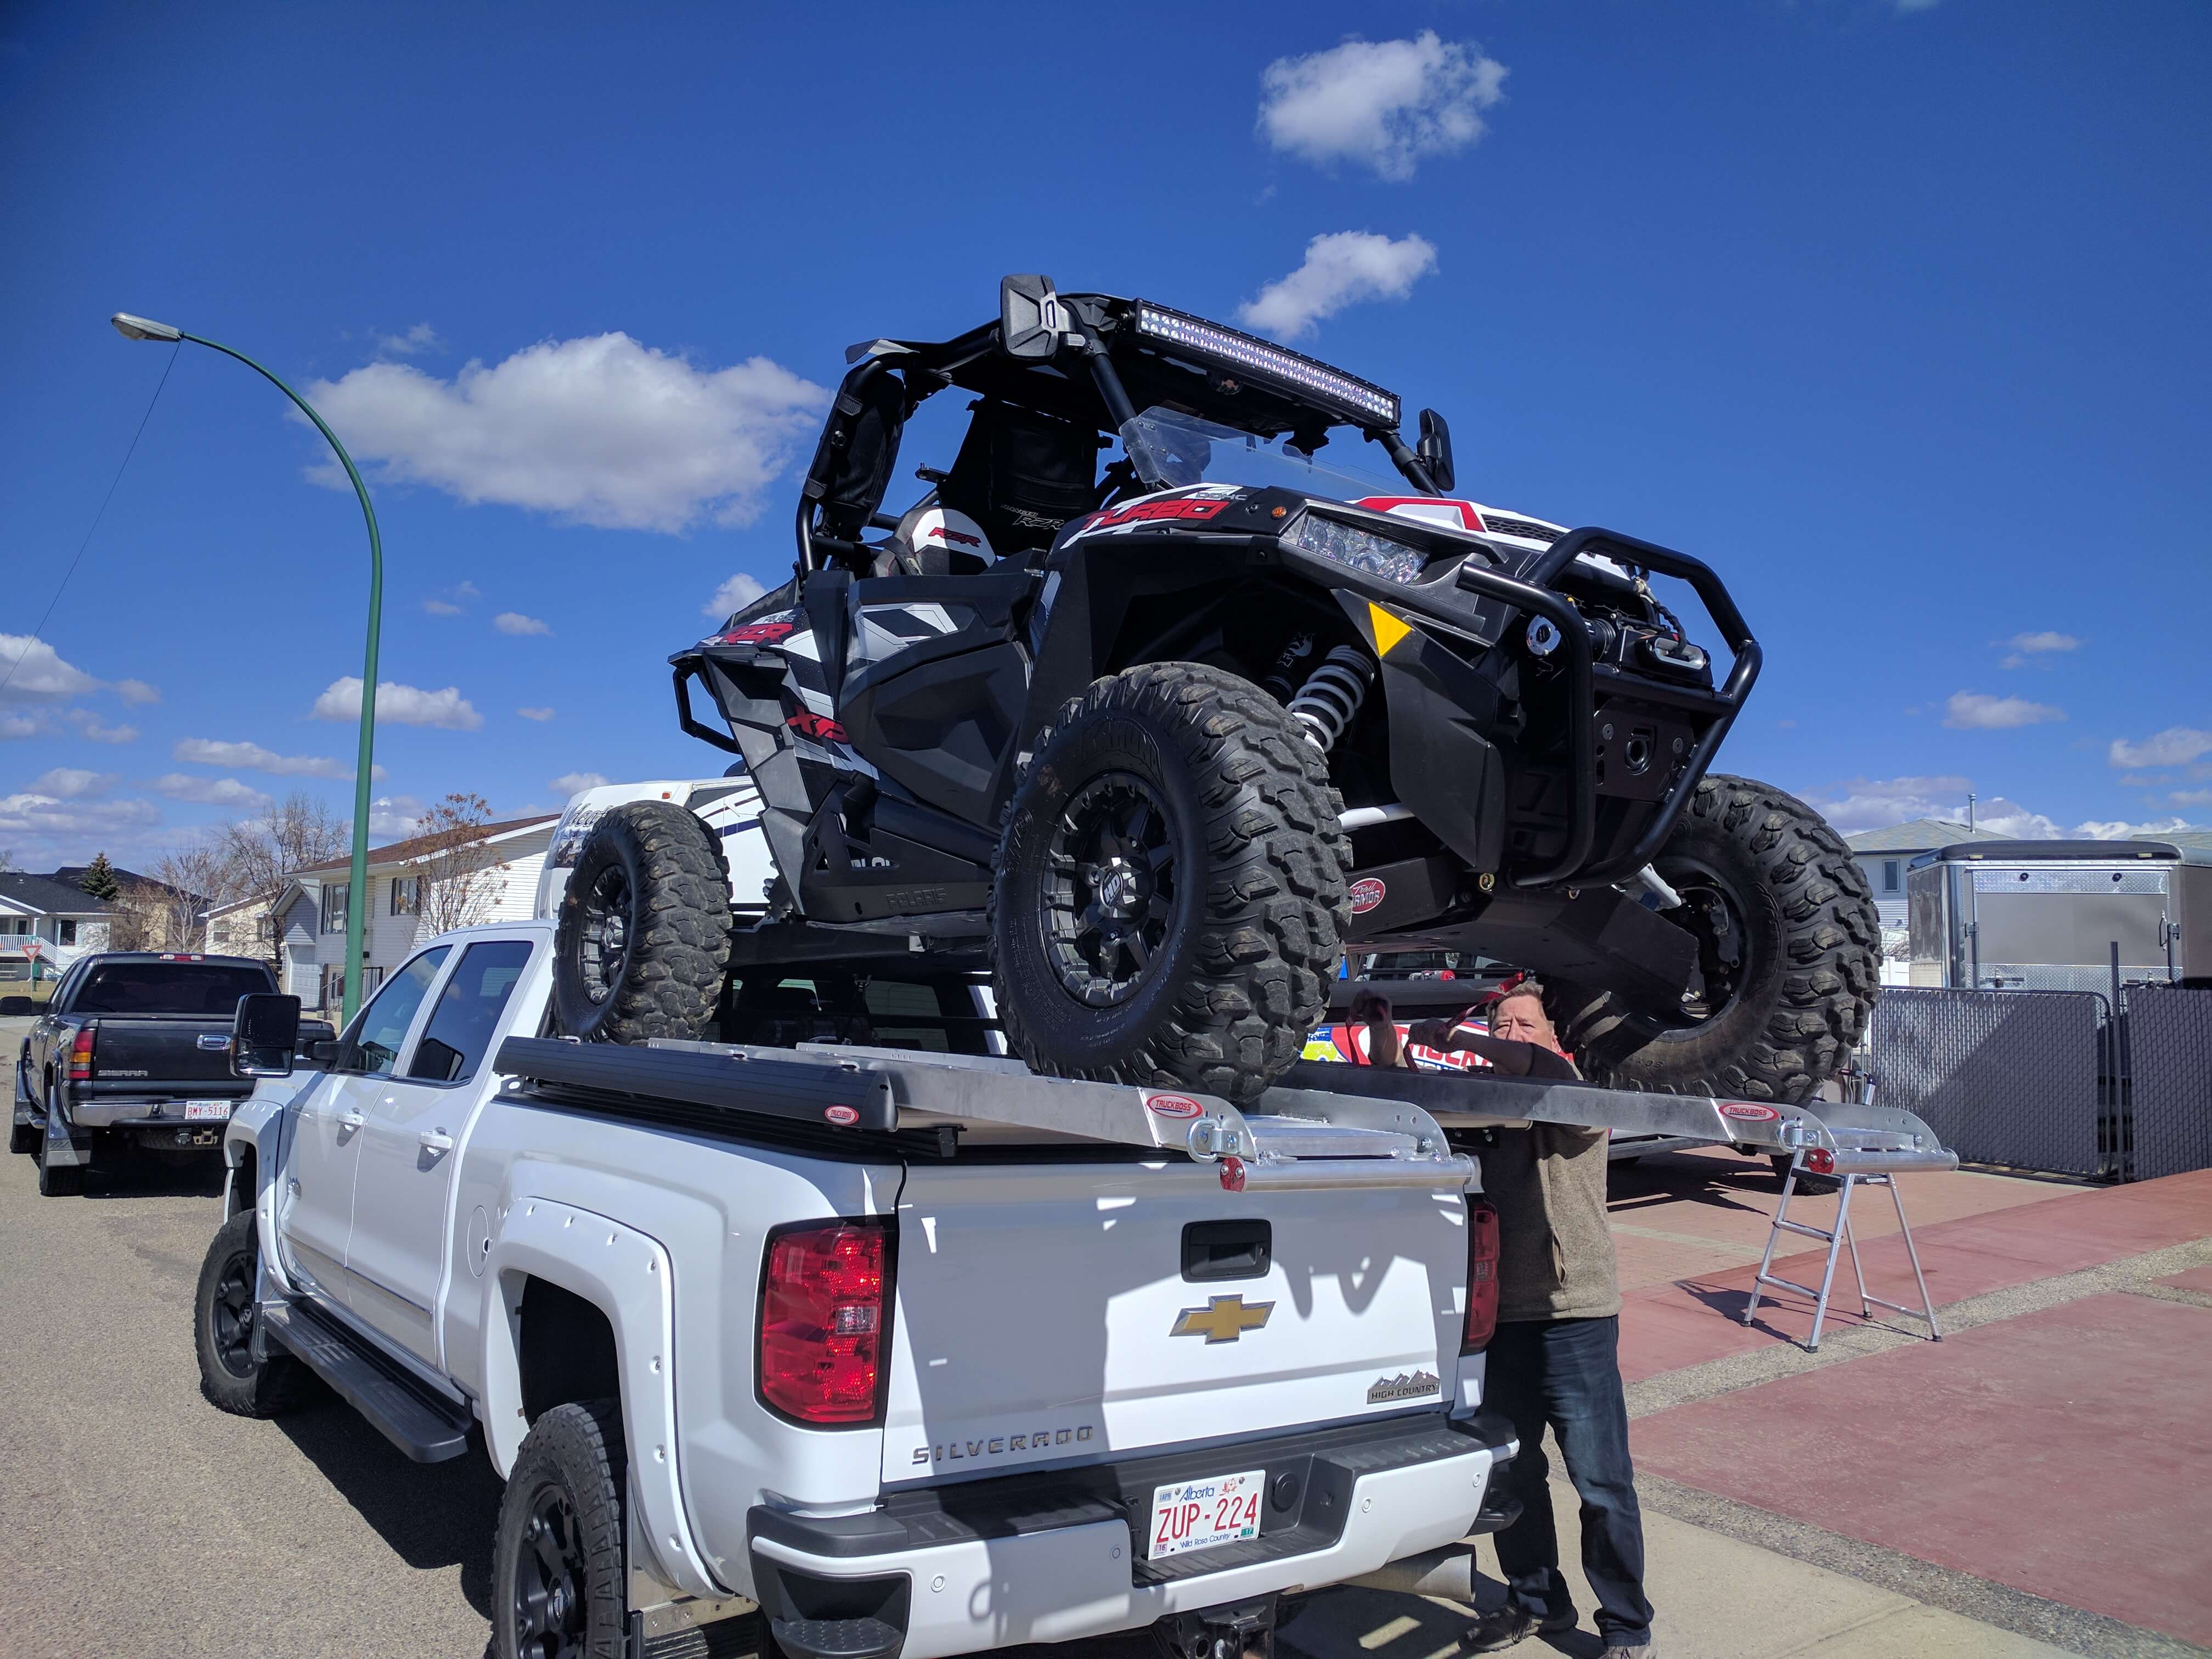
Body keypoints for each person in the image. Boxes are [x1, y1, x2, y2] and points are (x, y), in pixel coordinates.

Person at [1352, 981, 1657, 1658]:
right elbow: (1402, 1103)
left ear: (1554, 1036)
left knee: (1601, 1482)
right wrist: (1384, 1032)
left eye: (1524, 1025)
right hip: (1498, 1322)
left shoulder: (1571, 1091)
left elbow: (1542, 1074)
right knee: (1514, 1474)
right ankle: (1535, 1602)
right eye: (1502, 1024)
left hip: (1572, 1315)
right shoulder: (1482, 1101)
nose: (1512, 1036)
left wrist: (1463, 1038)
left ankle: (1628, 1627)